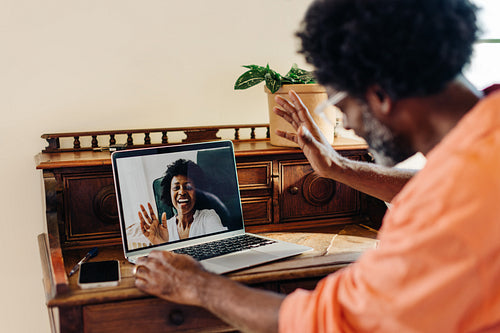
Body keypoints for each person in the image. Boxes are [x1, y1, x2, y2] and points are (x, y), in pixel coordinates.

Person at [134, 0, 500, 332]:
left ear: (380, 95)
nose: (350, 125)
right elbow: (441, 186)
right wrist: (337, 167)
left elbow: (329, 322)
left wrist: (197, 285)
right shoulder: (484, 141)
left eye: (341, 107)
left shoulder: (450, 206)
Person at [135, 159, 227, 245]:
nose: (182, 192)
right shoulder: (165, 228)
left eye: (188, 187)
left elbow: (222, 246)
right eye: (176, 188)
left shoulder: (208, 217)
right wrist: (162, 244)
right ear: (169, 193)